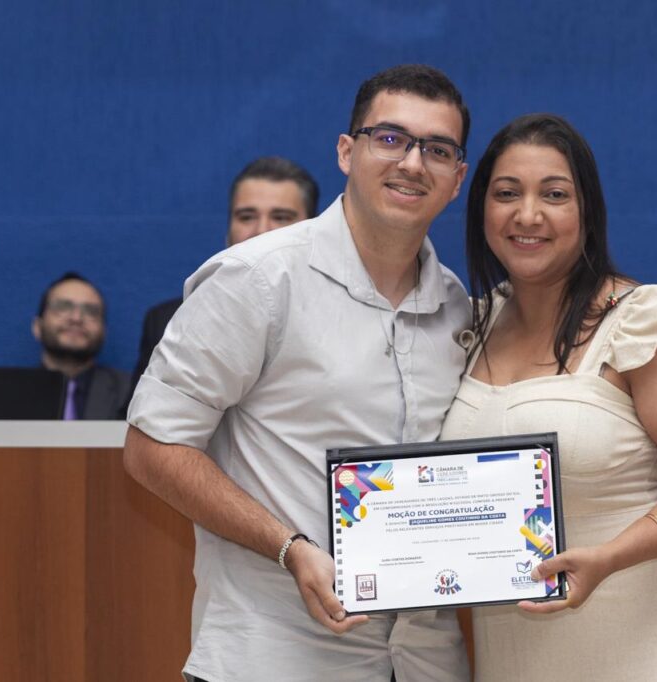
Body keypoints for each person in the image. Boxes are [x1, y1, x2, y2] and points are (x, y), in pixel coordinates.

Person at [123, 64, 472, 682]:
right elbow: (152, 448)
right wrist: (291, 548)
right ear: (347, 151)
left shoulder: (456, 308)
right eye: (390, 138)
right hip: (273, 657)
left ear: (457, 179)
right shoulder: (256, 278)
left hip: (422, 664)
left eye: (437, 149)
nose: (413, 163)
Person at [440, 113, 657, 679]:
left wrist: (609, 558)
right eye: (507, 193)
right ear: (482, 207)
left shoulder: (644, 324)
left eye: (554, 194)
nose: (528, 214)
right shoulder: (469, 329)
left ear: (587, 212)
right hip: (517, 659)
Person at [128, 156, 320, 397]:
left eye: (281, 217)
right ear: (227, 231)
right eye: (246, 217)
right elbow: (138, 422)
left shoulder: (338, 315)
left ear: (312, 230)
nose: (261, 231)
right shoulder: (168, 320)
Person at [33, 271, 129, 419]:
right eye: (63, 307)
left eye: (90, 311)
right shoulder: (10, 393)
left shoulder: (131, 393)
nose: (76, 318)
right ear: (37, 326)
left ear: (104, 331)